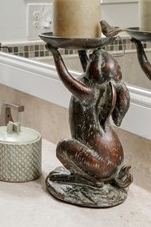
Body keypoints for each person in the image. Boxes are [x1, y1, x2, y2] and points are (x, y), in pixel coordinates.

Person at [46, 45, 132, 189]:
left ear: (97, 68)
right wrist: (81, 49)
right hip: (114, 161)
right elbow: (89, 70)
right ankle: (102, 176)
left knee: (62, 148)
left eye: (93, 59)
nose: (90, 59)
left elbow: (66, 78)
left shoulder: (88, 93)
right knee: (70, 148)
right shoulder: (105, 86)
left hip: (101, 163)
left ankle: (90, 180)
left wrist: (56, 55)